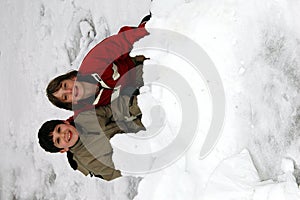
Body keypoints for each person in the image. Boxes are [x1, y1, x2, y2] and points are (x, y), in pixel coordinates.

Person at [46, 16, 150, 115]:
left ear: (72, 78)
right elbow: (74, 125)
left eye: (65, 85)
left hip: (137, 64)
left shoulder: (93, 62)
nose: (70, 91)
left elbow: (125, 40)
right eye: (65, 96)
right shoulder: (89, 109)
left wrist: (150, 31)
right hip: (139, 92)